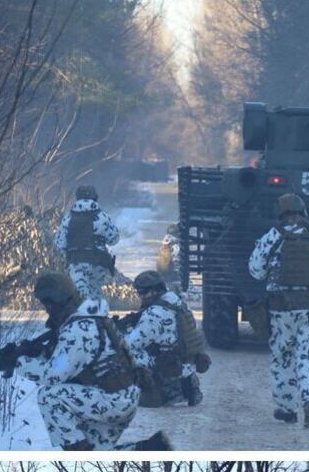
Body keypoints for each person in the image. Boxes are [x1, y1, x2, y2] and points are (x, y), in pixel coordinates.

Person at [15, 273, 145, 450]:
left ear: (62, 299)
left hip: (112, 399)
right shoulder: (93, 317)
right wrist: (39, 353)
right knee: (99, 453)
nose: (47, 308)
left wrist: (19, 363)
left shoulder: (79, 328)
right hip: (120, 394)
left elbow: (53, 375)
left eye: (50, 302)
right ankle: (153, 447)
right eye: (45, 303)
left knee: (49, 396)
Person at [248, 193, 309, 427]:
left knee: (283, 358)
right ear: (303, 212)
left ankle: (286, 409)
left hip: (279, 312)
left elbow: (255, 271)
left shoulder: (270, 239)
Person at [123, 270, 206, 406]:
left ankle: (161, 392)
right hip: (184, 363)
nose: (141, 297)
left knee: (123, 353)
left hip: (168, 367)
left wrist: (119, 335)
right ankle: (186, 385)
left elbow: (132, 343)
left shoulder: (155, 313)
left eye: (141, 292)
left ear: (152, 291)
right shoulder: (177, 304)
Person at [54, 184, 121, 301]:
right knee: (96, 297)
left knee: (79, 298)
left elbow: (59, 244)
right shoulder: (103, 217)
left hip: (76, 262)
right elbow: (114, 239)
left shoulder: (68, 218)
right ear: (95, 198)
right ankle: (96, 317)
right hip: (99, 262)